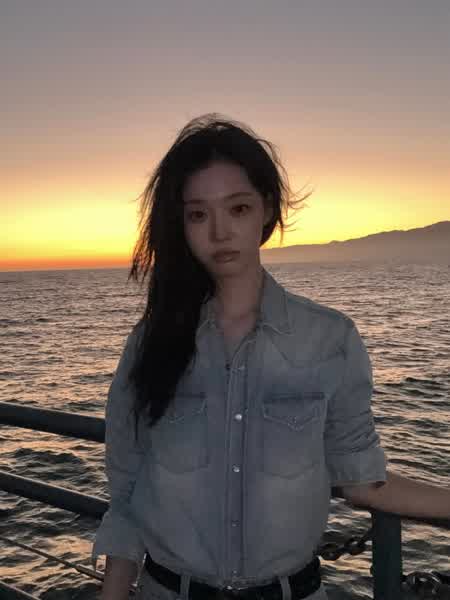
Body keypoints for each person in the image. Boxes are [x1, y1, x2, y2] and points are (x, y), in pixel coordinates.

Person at [91, 114, 450, 600]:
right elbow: (128, 494)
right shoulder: (150, 343)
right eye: (198, 215)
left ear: (266, 210)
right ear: (181, 226)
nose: (220, 231)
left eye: (237, 208)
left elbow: (364, 483)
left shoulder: (330, 339)